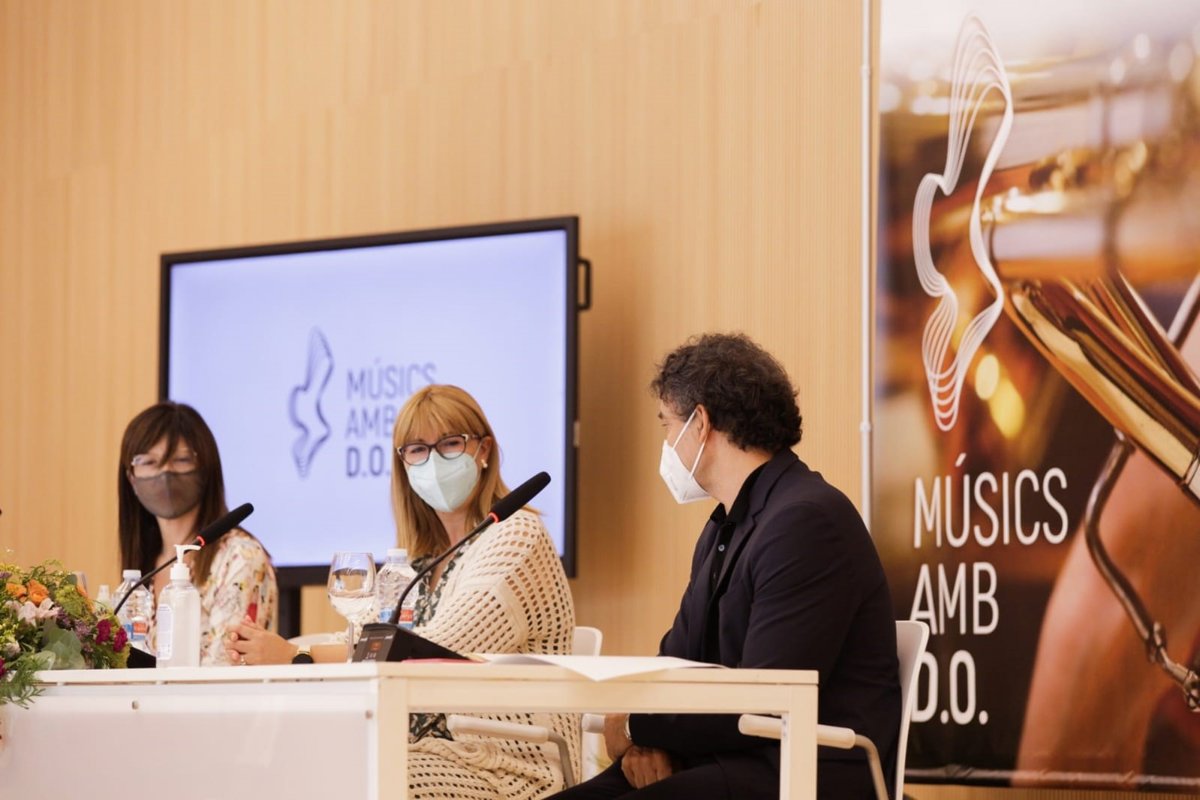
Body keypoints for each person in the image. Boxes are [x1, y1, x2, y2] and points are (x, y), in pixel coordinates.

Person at [551, 333, 900, 800]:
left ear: (700, 423)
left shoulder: (807, 521)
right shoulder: (725, 526)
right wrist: (648, 739)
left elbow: (764, 698)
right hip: (723, 757)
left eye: (667, 425)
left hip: (799, 768)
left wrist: (635, 726)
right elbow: (676, 661)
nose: (667, 443)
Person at [231, 384, 578, 800]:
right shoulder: (417, 561)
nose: (433, 461)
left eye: (450, 444)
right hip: (425, 752)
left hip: (510, 766)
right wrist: (277, 650)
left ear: (483, 449)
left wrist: (296, 655)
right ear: (404, 465)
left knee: (358, 778)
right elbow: (367, 637)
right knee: (286, 767)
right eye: (417, 450)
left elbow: (435, 649)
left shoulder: (517, 534)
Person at [118, 401, 277, 666]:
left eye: (180, 460)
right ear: (131, 478)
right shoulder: (142, 570)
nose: (165, 472)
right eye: (149, 462)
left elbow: (224, 667)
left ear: (205, 469)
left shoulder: (240, 556)